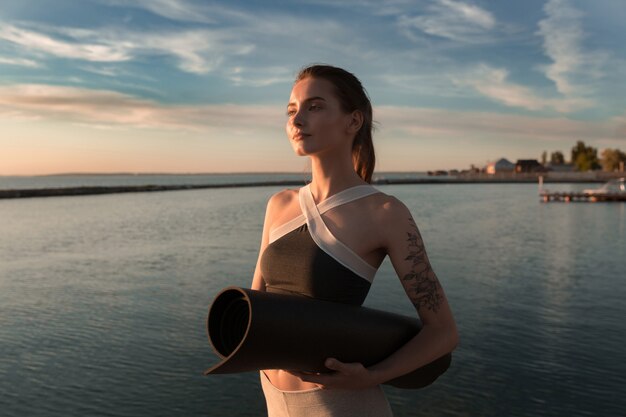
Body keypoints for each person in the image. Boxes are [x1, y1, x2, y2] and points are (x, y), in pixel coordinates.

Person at [250, 64, 458, 417]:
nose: (297, 120)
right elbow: (255, 309)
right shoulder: (279, 205)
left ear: (353, 121)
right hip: (275, 400)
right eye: (291, 110)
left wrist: (372, 376)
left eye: (314, 107)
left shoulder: (385, 213)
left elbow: (443, 333)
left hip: (342, 405)